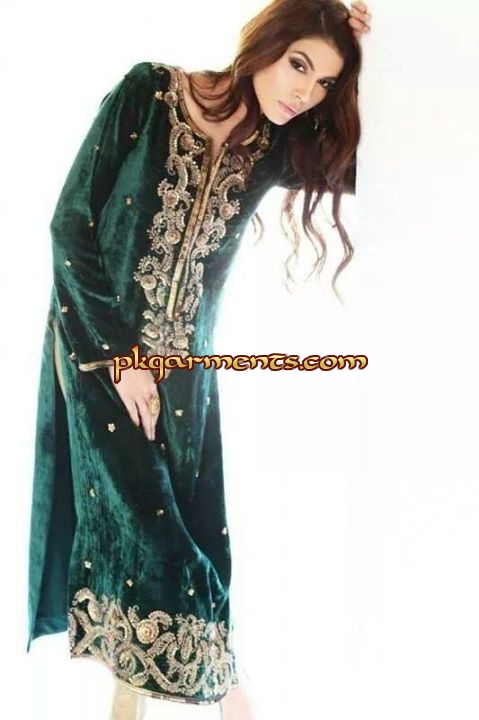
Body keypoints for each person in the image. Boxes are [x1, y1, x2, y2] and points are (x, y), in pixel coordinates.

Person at [25, 1, 372, 718]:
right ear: (266, 45)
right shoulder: (150, 93)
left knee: (175, 537)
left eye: (324, 83)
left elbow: (368, 165)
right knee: (161, 546)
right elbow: (70, 225)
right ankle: (238, 705)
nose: (304, 92)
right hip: (98, 359)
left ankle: (131, 708)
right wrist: (123, 361)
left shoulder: (277, 145)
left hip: (188, 378)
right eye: (298, 64)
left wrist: (384, 64)